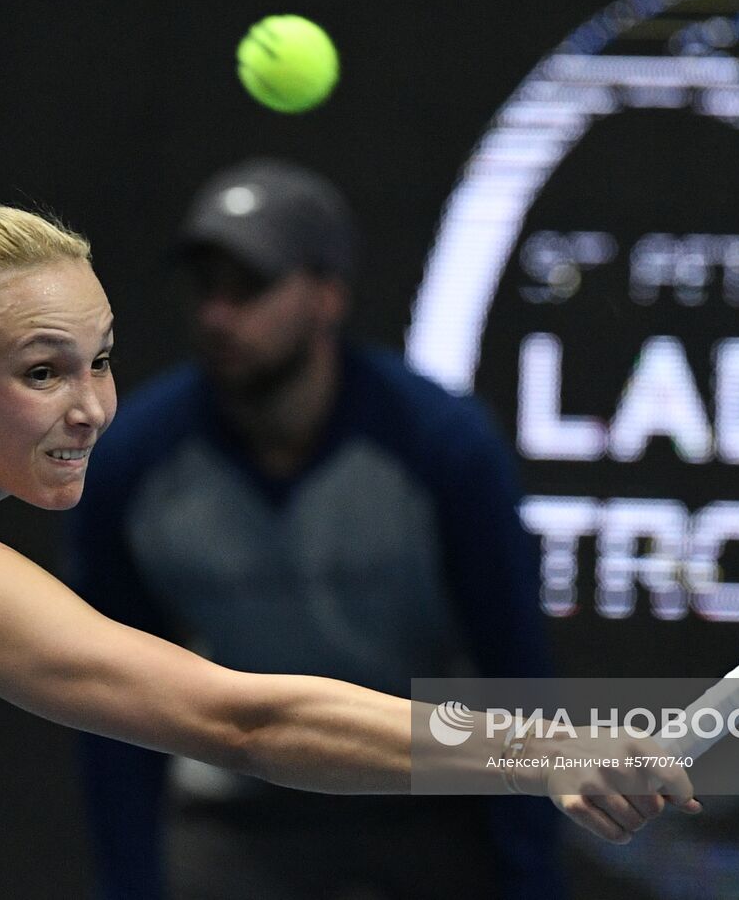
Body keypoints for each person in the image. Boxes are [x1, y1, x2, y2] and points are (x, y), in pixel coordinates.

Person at [0, 205, 696, 864]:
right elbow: (243, 721)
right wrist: (531, 750)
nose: (92, 407)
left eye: (98, 360)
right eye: (41, 372)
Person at [67, 159, 572, 900]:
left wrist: (532, 883)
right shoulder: (130, 464)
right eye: (207, 288)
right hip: (237, 814)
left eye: (251, 288)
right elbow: (112, 708)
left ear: (328, 296)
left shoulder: (445, 449)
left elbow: (516, 675)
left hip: (424, 799)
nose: (217, 315)